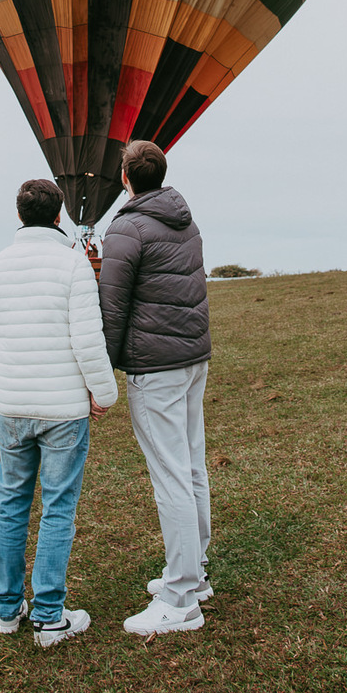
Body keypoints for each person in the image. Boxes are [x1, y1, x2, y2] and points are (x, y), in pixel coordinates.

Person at [0, 177, 117, 648]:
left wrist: (1, 396)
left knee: (11, 506)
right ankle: (50, 616)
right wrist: (103, 393)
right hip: (62, 412)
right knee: (58, 508)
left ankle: (8, 610)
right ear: (58, 217)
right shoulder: (73, 265)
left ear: (19, 215)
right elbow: (87, 339)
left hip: (12, 407)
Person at [99, 140, 211, 636]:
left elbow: (113, 307)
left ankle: (182, 597)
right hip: (191, 357)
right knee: (190, 466)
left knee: (170, 476)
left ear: (125, 178)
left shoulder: (126, 228)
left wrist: (101, 373)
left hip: (156, 367)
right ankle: (196, 572)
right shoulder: (184, 219)